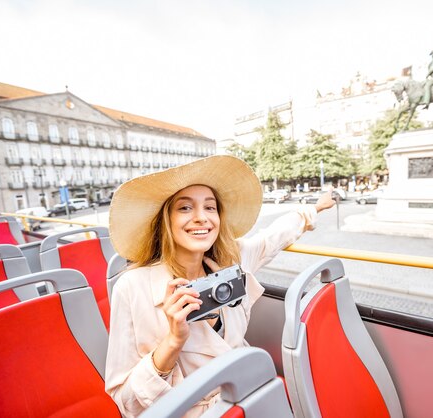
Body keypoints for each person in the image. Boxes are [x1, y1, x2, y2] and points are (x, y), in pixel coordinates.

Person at [105, 155, 335, 417]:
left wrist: (315, 208)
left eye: (210, 207)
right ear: (165, 220)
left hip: (250, 395)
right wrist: (173, 341)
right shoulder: (132, 287)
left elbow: (274, 237)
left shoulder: (231, 259)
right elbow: (126, 402)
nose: (202, 218)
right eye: (185, 208)